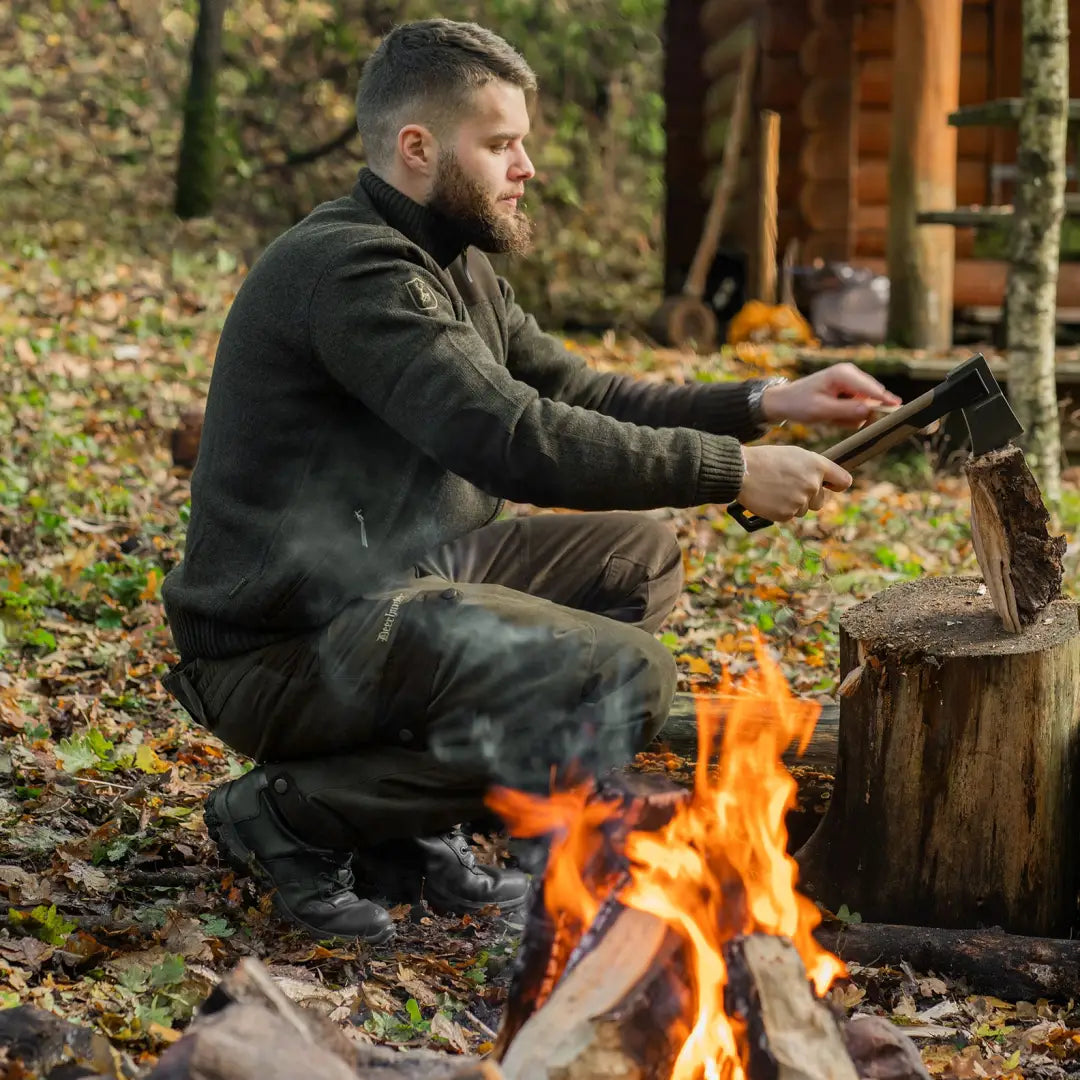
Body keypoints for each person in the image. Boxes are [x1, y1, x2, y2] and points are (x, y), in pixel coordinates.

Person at [159, 18, 899, 945]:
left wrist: (763, 399)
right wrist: (733, 473)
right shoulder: (354, 271)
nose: (526, 168)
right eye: (502, 143)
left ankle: (401, 815)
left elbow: (574, 389)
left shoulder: (453, 261)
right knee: (625, 675)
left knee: (637, 557)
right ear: (418, 148)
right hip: (281, 649)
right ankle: (293, 812)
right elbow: (510, 437)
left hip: (393, 590)